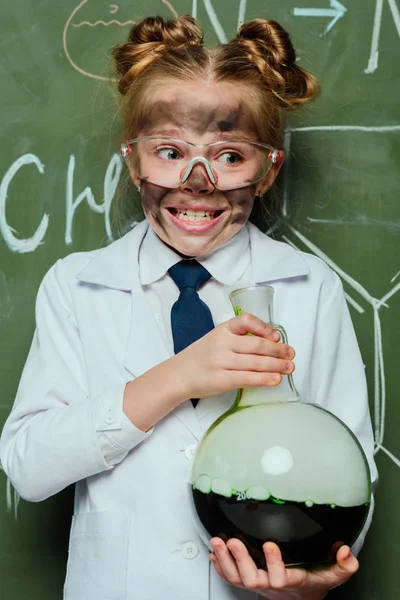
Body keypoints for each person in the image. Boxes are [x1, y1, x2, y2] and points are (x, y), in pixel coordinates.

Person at [0, 14, 377, 600]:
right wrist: (179, 375)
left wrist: (306, 579)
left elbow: (353, 474)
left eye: (230, 156)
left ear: (268, 169)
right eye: (171, 152)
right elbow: (28, 467)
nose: (198, 182)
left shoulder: (311, 287)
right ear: (134, 160)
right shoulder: (76, 286)